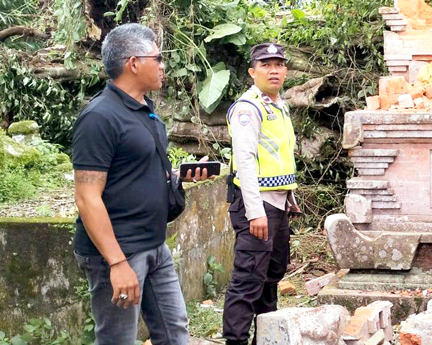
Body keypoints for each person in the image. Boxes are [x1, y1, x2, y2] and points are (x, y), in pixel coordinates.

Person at [73, 23, 209, 344]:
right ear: (133, 63)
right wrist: (117, 263)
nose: (163, 66)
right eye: (158, 58)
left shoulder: (146, 111)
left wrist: (179, 178)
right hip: (119, 251)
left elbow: (138, 173)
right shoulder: (99, 117)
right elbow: (86, 197)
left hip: (154, 246)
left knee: (175, 332)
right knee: (118, 339)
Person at [223, 42, 299, 345]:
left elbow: (279, 157)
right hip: (257, 207)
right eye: (266, 65)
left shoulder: (278, 106)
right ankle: (236, 341)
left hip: (277, 205)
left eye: (279, 64)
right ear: (252, 72)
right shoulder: (248, 108)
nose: (274, 70)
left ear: (286, 71)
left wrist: (288, 201)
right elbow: (245, 161)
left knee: (271, 277)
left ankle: (266, 339)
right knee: (248, 279)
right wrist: (255, 211)